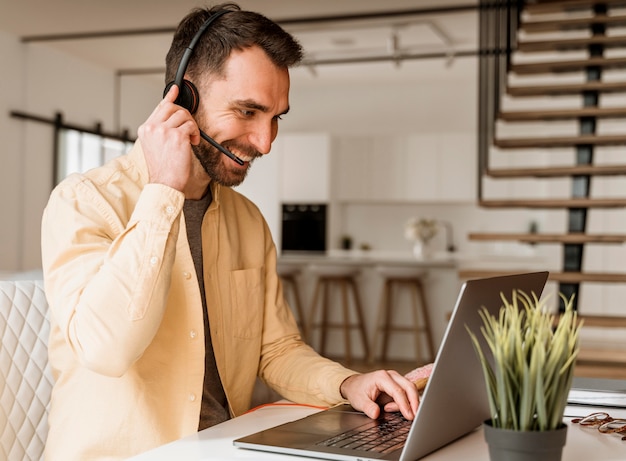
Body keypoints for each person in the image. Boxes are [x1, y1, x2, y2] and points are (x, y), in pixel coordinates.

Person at [40, 3, 419, 460]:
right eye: (247, 112)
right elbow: (107, 351)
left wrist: (348, 383)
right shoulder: (83, 201)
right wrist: (163, 190)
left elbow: (275, 350)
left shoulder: (248, 221)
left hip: (226, 449)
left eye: (276, 117)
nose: (265, 142)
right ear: (183, 101)